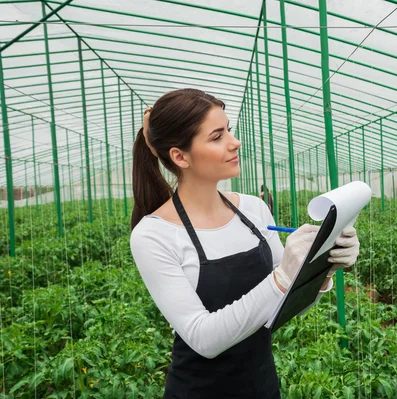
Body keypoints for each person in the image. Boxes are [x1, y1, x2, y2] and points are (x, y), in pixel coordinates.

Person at [129, 88, 360, 399]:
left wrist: (322, 266)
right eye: (216, 136)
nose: (234, 142)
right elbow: (204, 338)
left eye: (229, 130)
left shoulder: (254, 210)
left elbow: (283, 306)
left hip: (262, 384)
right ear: (179, 156)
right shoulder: (153, 235)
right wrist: (281, 277)